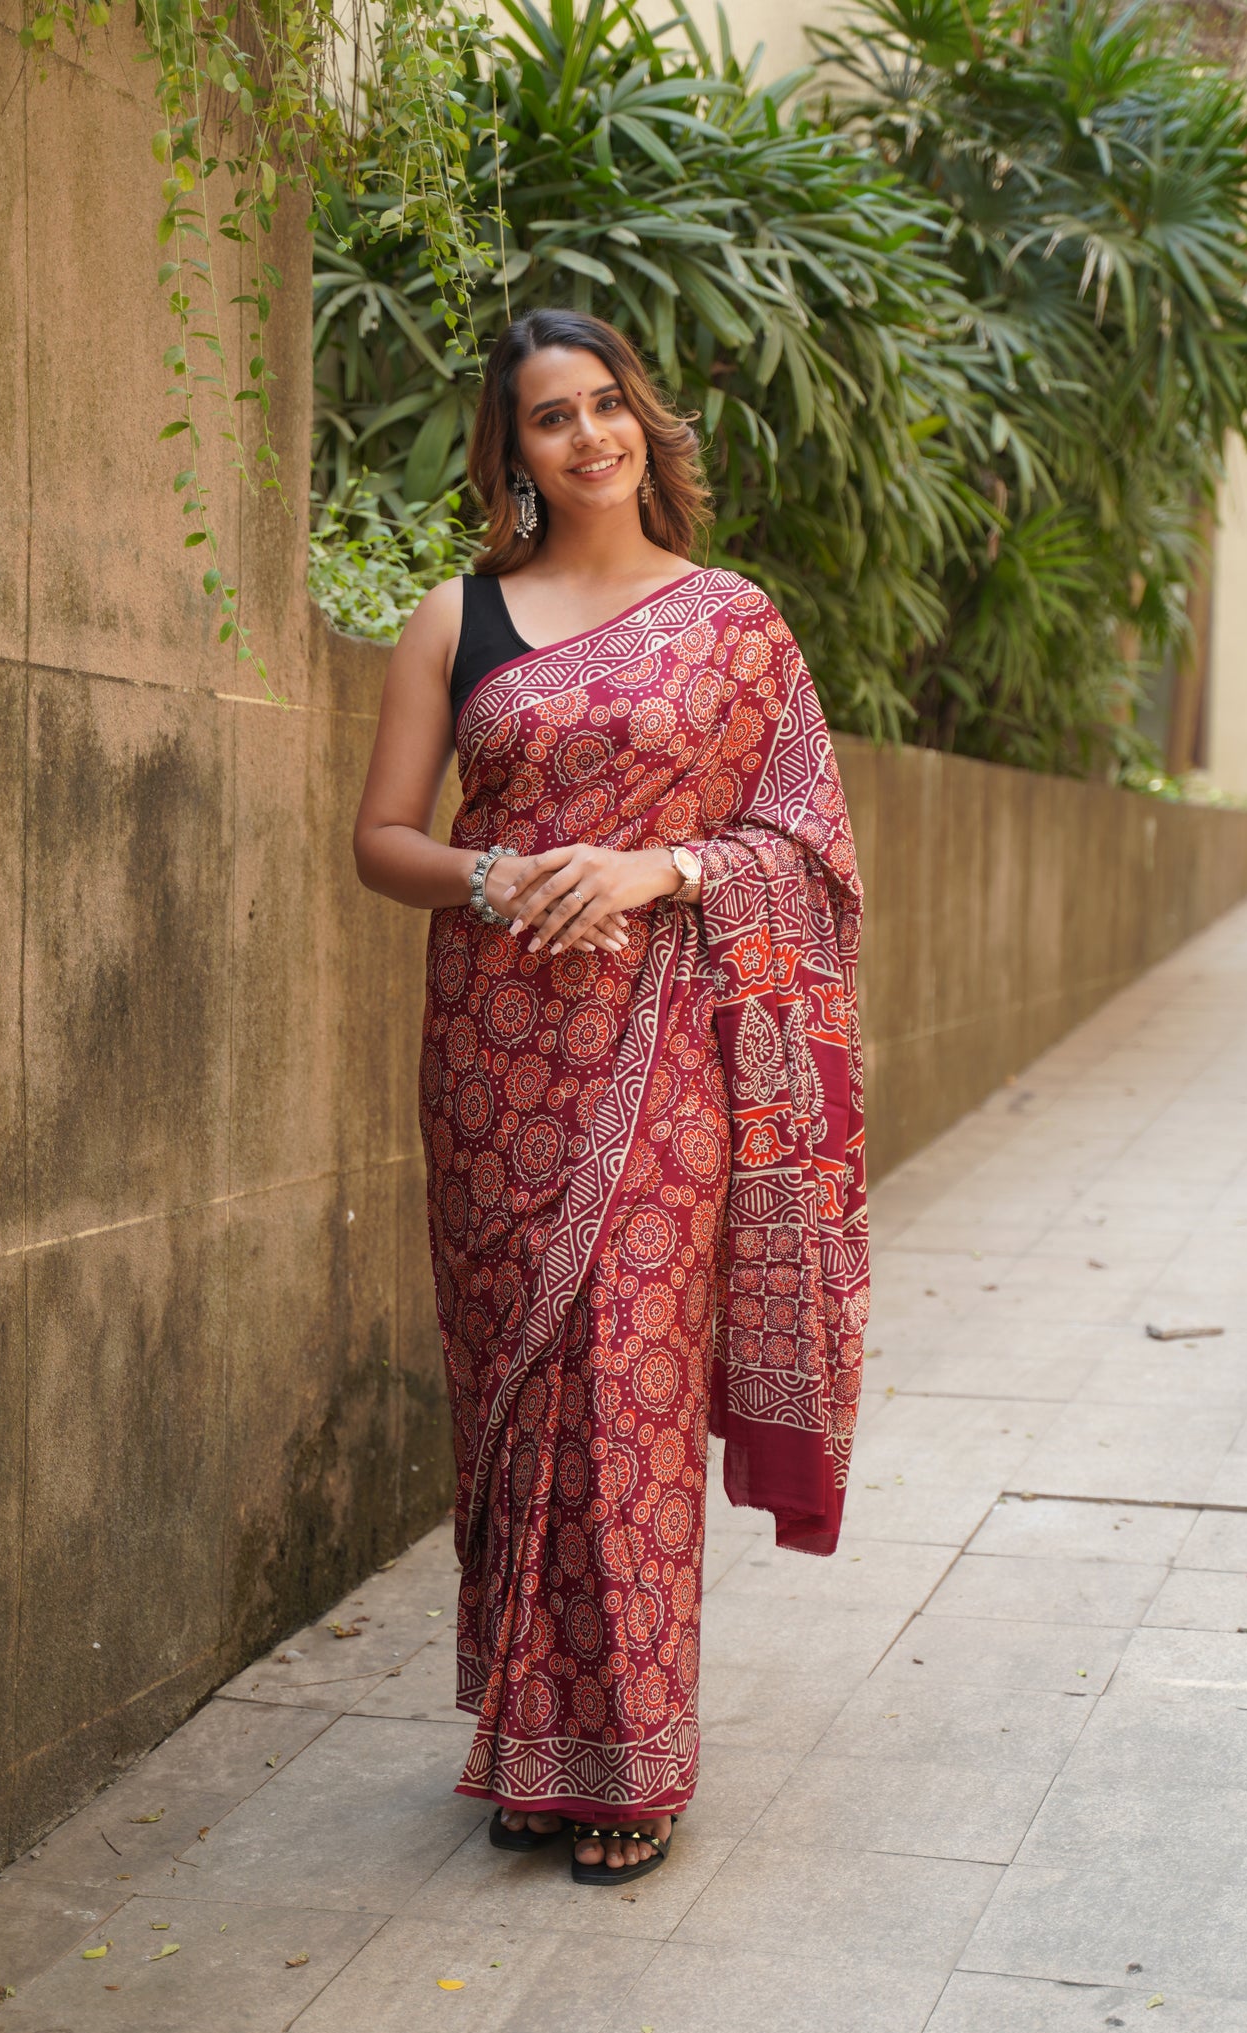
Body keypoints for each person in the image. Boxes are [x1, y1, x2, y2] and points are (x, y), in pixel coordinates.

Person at [352, 308, 868, 1884]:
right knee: (513, 1392)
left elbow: (811, 853)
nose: (588, 438)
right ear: (507, 449)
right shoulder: (459, 620)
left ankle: (631, 1766)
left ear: (644, 418)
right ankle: (527, 1745)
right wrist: (505, 874)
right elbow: (382, 841)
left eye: (606, 407)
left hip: (673, 1048)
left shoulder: (734, 623)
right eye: (549, 419)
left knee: (625, 1375)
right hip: (495, 1051)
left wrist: (660, 866)